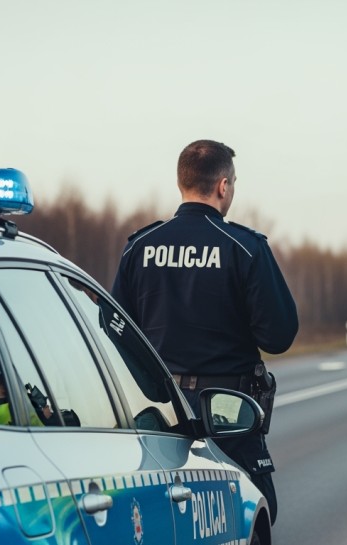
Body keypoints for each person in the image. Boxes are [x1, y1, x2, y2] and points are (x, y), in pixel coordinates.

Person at [112, 139, 298, 524]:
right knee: (253, 509)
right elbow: (278, 337)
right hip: (228, 412)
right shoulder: (244, 248)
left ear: (181, 182)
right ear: (223, 186)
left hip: (159, 409)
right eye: (233, 183)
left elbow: (115, 330)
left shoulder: (139, 246)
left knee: (161, 515)